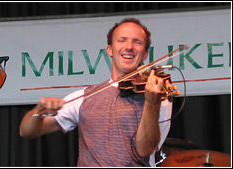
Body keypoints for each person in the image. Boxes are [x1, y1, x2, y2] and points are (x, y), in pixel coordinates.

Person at [20, 18, 178, 167]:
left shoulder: (158, 94)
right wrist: (38, 111)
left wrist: (151, 103)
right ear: (109, 50)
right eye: (122, 40)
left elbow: (145, 149)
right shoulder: (85, 97)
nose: (129, 46)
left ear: (144, 54)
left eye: (137, 42)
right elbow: (27, 131)